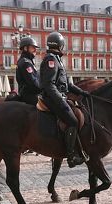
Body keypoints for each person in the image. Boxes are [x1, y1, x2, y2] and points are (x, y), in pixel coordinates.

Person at [39, 31, 90, 168]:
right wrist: (60, 100)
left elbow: (68, 84)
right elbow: (49, 84)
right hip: (52, 98)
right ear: (60, 45)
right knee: (73, 121)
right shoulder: (51, 59)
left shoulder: (57, 59)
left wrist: (83, 93)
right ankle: (71, 156)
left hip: (59, 96)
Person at [16, 36, 41, 106]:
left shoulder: (28, 61)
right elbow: (33, 82)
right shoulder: (26, 62)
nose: (35, 50)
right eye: (33, 47)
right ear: (25, 48)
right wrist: (43, 89)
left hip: (28, 93)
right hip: (29, 95)